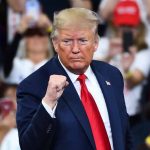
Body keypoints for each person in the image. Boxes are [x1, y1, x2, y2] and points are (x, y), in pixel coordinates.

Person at [16, 8, 133, 150]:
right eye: (67, 41)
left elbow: (124, 134)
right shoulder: (33, 85)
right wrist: (48, 102)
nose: (75, 49)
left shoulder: (112, 75)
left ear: (95, 43)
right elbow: (29, 147)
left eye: (83, 40)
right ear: (55, 43)